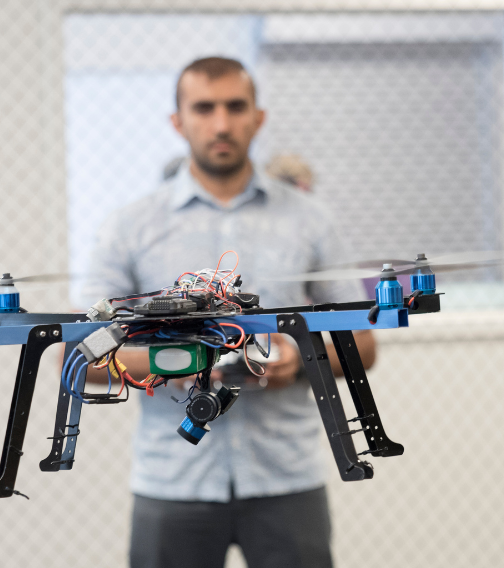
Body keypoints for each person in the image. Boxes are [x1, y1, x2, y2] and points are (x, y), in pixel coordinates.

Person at [77, 57, 378, 568]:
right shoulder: (127, 227)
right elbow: (83, 357)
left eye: (235, 107)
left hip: (287, 478)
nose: (221, 123)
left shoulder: (311, 221)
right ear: (178, 121)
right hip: (172, 480)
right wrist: (178, 360)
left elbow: (363, 345)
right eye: (204, 108)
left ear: (257, 117)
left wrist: (298, 357)